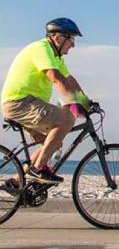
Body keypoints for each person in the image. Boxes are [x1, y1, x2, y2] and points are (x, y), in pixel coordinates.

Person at [1, 18, 91, 185]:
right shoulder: (42, 48)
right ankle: (39, 168)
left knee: (53, 143)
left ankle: (16, 181)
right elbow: (56, 79)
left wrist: (86, 102)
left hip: (28, 103)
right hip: (20, 102)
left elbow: (69, 80)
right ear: (58, 37)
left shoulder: (56, 57)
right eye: (71, 39)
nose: (73, 44)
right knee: (66, 118)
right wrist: (74, 105)